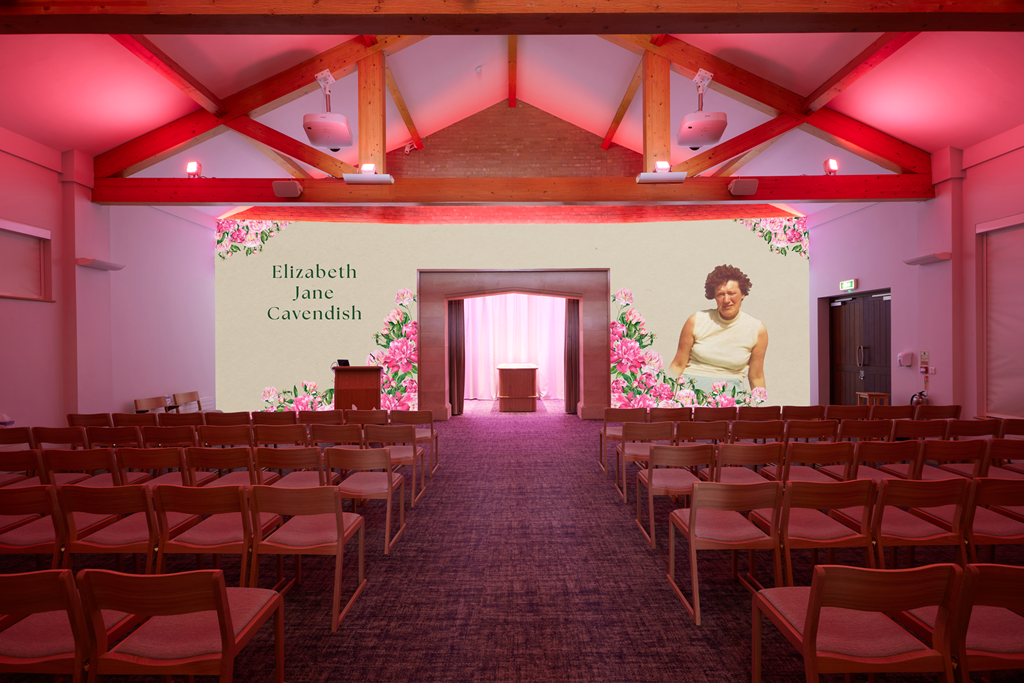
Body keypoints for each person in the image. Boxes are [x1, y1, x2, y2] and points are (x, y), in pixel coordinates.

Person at [668, 264, 768, 395]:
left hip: (730, 398)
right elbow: (678, 365)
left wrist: (761, 410)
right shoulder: (696, 320)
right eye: (720, 294)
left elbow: (756, 376)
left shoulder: (757, 329)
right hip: (690, 394)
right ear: (714, 296)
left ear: (743, 294)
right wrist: (662, 402)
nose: (726, 300)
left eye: (732, 293)